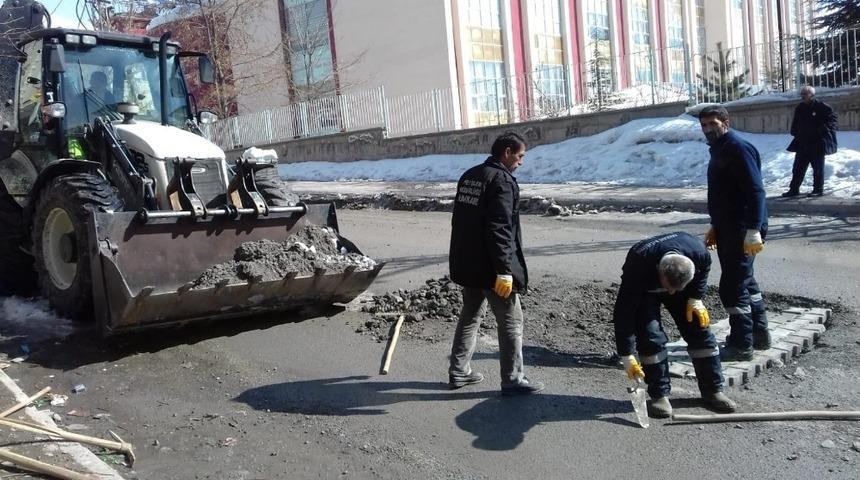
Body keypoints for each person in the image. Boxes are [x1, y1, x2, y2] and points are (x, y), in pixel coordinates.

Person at [448, 132, 544, 396]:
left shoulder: (470, 175)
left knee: (470, 315)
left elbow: (461, 222)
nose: (521, 162)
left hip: (468, 264)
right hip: (491, 268)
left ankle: (458, 371)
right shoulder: (501, 180)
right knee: (512, 321)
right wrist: (504, 271)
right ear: (507, 152)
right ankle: (512, 379)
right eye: (520, 156)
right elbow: (500, 229)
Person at [613, 232, 736, 418]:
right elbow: (624, 310)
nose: (670, 293)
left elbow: (703, 272)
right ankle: (659, 395)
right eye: (669, 287)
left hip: (683, 289)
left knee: (699, 331)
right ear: (660, 272)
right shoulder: (639, 262)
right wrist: (626, 353)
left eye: (674, 289)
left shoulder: (699, 252)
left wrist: (695, 297)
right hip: (646, 291)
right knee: (650, 336)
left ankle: (713, 390)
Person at [699, 105, 770, 362]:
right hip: (729, 227)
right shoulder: (720, 149)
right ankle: (759, 334)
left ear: (725, 122)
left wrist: (753, 229)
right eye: (704, 125)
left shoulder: (737, 148)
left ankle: (741, 345)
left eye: (712, 124)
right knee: (746, 281)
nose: (708, 129)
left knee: (732, 286)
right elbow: (725, 193)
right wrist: (716, 225)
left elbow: (755, 192)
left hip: (743, 229)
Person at [782, 85, 838, 198]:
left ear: (812, 95)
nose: (803, 96)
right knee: (798, 167)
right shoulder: (800, 108)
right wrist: (794, 131)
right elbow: (796, 121)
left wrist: (823, 129)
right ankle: (794, 189)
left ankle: (818, 189)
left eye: (805, 94)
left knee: (817, 168)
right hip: (802, 143)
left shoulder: (822, 107)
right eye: (802, 94)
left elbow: (832, 120)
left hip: (817, 143)